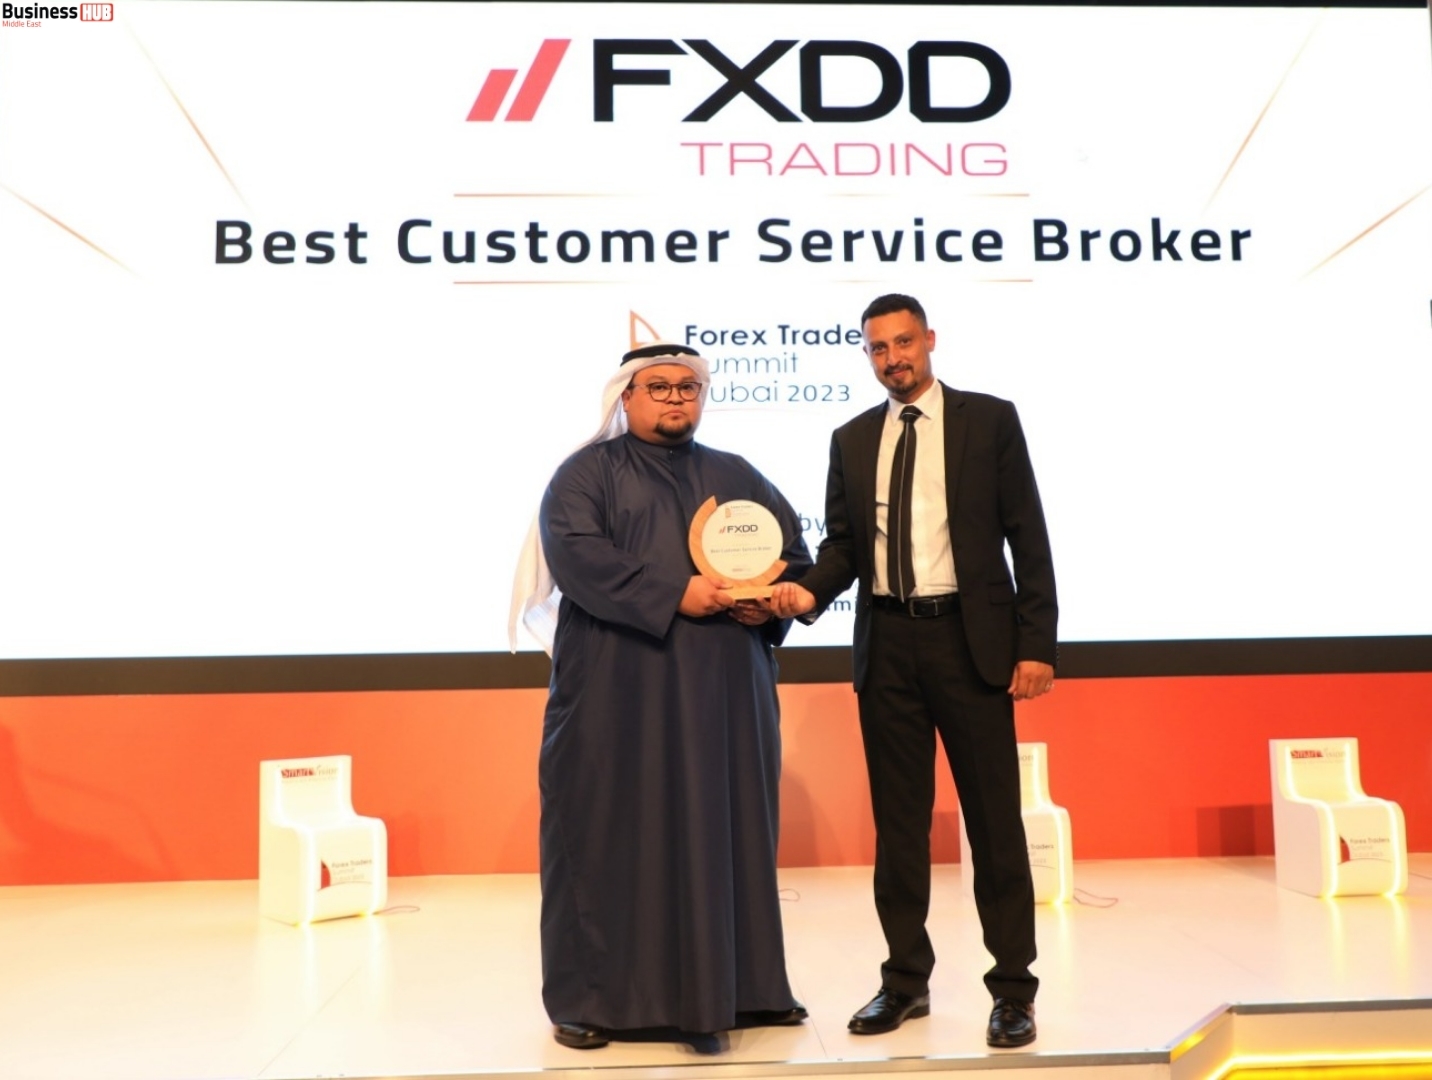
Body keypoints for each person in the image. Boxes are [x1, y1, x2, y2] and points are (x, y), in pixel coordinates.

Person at [770, 294, 1057, 1049]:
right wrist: (807, 592)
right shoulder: (851, 437)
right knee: (899, 827)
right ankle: (904, 982)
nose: (893, 358)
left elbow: (1028, 535)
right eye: (878, 348)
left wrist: (1036, 644)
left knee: (994, 824)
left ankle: (1014, 990)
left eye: (903, 342)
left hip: (970, 642)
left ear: (929, 340)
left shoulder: (988, 420)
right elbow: (843, 545)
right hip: (888, 643)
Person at [510, 342, 812, 1051]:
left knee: (730, 832)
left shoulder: (738, 476)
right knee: (607, 834)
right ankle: (592, 1000)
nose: (676, 398)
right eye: (659, 387)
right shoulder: (585, 474)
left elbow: (791, 555)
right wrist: (676, 592)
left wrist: (768, 598)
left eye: (688, 387)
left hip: (727, 692)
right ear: (627, 397)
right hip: (619, 693)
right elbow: (578, 555)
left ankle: (748, 990)